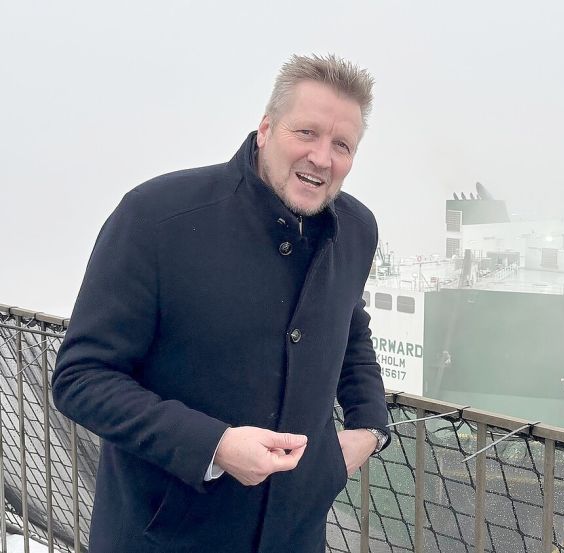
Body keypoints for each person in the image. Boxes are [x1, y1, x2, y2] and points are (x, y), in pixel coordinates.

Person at [52, 54, 390, 553]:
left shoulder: (358, 229)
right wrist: (214, 445)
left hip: (296, 536)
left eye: (342, 144)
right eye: (306, 132)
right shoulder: (156, 217)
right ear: (266, 129)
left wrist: (370, 427)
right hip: (162, 538)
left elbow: (351, 330)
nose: (322, 157)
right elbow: (81, 378)